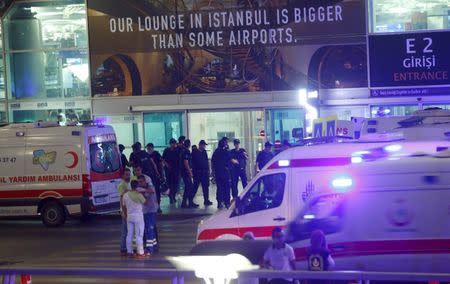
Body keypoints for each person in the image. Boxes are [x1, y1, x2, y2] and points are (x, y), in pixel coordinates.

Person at [122, 180, 146, 259]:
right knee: (139, 235)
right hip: (138, 217)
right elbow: (145, 202)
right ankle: (140, 252)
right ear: (137, 186)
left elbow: (124, 206)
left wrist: (125, 214)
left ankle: (129, 252)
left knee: (129, 235)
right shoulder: (139, 195)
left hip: (129, 216)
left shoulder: (125, 195)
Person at [137, 175, 158, 255]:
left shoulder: (150, 187)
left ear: (145, 181)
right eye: (139, 182)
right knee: (150, 229)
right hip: (145, 212)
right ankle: (154, 245)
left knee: (149, 229)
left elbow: (151, 191)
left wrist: (142, 190)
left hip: (151, 211)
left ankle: (149, 249)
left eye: (141, 181)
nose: (140, 183)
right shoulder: (141, 189)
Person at [211, 139, 232, 209]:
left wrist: (213, 172)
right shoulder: (226, 151)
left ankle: (219, 203)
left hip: (218, 173)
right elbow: (230, 159)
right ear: (224, 144)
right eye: (226, 143)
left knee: (219, 188)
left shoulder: (216, 152)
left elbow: (212, 161)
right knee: (227, 187)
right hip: (225, 173)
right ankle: (227, 202)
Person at [192, 140, 213, 206]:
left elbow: (207, 162)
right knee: (195, 187)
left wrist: (209, 170)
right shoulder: (195, 152)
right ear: (200, 145)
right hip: (197, 173)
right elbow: (192, 162)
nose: (204, 146)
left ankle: (206, 200)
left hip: (204, 173)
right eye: (203, 145)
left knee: (205, 187)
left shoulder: (204, 152)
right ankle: (190, 200)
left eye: (205, 145)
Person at [146, 143, 163, 212]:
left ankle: (158, 206)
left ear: (152, 148)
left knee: (157, 190)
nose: (148, 150)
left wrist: (161, 174)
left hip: (156, 176)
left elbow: (160, 164)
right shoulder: (146, 155)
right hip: (150, 176)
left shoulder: (156, 154)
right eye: (147, 148)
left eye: (149, 148)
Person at [118, 168, 131, 256]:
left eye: (129, 174)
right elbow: (121, 198)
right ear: (123, 176)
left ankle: (127, 247)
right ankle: (123, 248)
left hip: (129, 210)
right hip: (125, 210)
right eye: (126, 174)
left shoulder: (129, 183)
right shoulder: (122, 185)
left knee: (128, 230)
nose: (128, 176)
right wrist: (123, 211)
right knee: (125, 230)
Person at [163, 138, 181, 204]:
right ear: (170, 144)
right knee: (170, 184)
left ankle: (173, 195)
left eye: (175, 143)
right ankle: (171, 197)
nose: (174, 145)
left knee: (176, 184)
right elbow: (163, 159)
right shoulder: (166, 150)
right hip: (169, 170)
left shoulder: (177, 150)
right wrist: (166, 164)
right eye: (172, 143)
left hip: (176, 169)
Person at [181, 139, 198, 208]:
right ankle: (190, 203)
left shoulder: (183, 151)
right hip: (186, 172)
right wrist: (190, 172)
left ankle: (184, 203)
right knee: (190, 187)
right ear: (189, 144)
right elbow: (186, 162)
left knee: (187, 188)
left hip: (185, 172)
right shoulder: (186, 152)